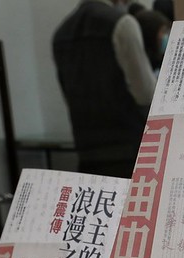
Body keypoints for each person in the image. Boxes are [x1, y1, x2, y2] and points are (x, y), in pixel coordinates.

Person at [53, 0, 157, 179]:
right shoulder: (122, 23)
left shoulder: (62, 33)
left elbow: (67, 96)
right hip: (128, 152)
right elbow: (146, 93)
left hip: (86, 152)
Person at [132, 6, 171, 74]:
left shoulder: (163, 61)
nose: (166, 36)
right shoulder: (144, 69)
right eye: (163, 31)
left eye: (166, 31)